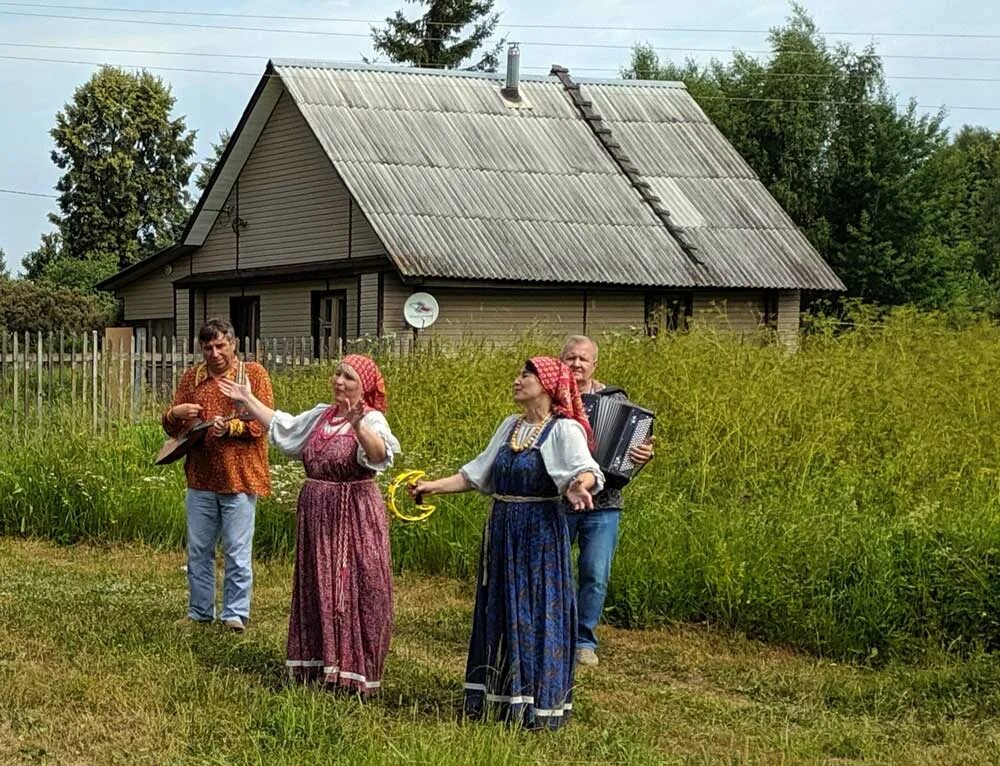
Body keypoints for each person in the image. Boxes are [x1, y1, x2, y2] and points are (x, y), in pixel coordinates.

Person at [411, 357, 602, 730]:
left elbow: (586, 469)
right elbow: (477, 473)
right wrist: (433, 486)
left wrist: (580, 485)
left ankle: (535, 700)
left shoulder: (563, 430)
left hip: (539, 532)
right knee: (500, 603)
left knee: (534, 607)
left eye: (526, 375)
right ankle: (499, 696)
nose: (517, 380)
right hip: (503, 529)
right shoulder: (510, 426)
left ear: (548, 385)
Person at [218, 354, 399, 696]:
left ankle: (352, 670)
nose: (339, 381)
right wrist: (248, 398)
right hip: (317, 514)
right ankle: (320, 663)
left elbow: (377, 456)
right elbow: (283, 426)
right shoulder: (321, 415)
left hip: (352, 514)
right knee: (319, 584)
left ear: (364, 387)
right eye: (337, 374)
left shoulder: (372, 419)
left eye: (348, 377)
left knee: (351, 587)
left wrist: (358, 425)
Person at [163, 318, 274, 633]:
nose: (214, 353)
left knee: (237, 550)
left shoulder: (252, 374)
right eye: (207, 347)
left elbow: (264, 423)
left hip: (240, 477)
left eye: (220, 346)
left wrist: (232, 427)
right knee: (199, 549)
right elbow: (171, 429)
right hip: (201, 476)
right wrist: (174, 414)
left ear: (233, 344)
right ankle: (200, 612)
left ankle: (235, 614)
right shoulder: (192, 378)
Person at [559, 335, 654, 667]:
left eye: (583, 359)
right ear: (561, 361)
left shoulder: (615, 398)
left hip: (606, 500)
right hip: (559, 499)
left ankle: (584, 640)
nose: (577, 364)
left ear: (595, 364)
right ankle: (556, 631)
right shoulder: (551, 398)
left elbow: (636, 445)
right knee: (555, 569)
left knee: (595, 573)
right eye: (571, 358)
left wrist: (644, 453)